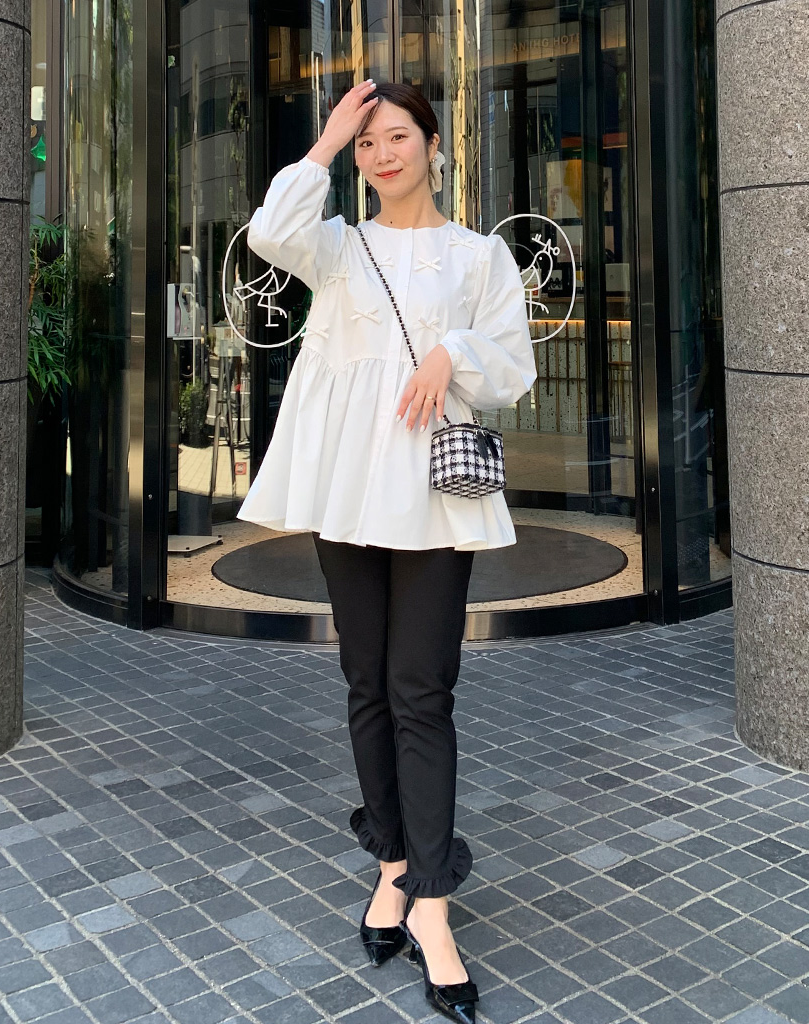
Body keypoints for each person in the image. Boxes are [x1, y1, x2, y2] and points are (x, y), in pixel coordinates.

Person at [237, 80, 536, 1023]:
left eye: (395, 136)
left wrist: (452, 352)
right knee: (365, 682)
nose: (381, 155)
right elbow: (269, 234)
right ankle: (392, 865)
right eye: (367, 143)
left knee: (421, 691)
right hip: (345, 494)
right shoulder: (336, 245)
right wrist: (323, 143)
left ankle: (433, 906)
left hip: (433, 499)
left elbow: (514, 366)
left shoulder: (478, 255)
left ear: (433, 145)